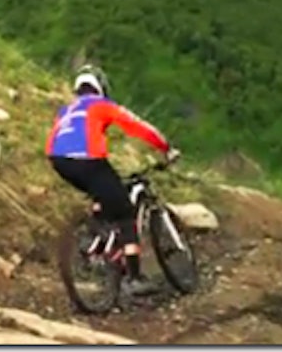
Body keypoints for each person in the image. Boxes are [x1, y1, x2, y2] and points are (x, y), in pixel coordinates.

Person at [45, 64, 181, 297]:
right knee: (126, 213)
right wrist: (165, 147)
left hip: (59, 160)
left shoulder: (66, 110)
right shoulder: (101, 105)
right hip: (88, 159)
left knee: (104, 193)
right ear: (100, 87)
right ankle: (134, 278)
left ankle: (97, 229)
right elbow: (137, 126)